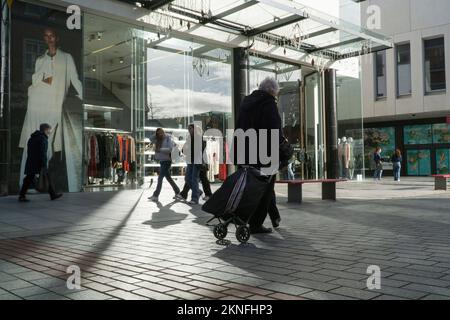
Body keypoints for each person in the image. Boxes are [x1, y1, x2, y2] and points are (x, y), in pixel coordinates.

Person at [19, 27, 83, 192]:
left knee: (47, 143)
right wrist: (43, 78)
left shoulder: (67, 58)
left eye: (52, 36)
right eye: (46, 36)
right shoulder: (40, 59)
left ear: (57, 38)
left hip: (54, 104)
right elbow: (35, 80)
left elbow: (74, 79)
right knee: (34, 142)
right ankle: (30, 181)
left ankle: (35, 179)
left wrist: (84, 99)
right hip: (37, 101)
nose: (49, 39)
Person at [236, 77, 282, 234]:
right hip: (264, 153)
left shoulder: (246, 103)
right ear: (271, 91)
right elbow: (275, 130)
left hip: (244, 151)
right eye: (276, 93)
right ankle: (256, 224)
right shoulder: (268, 104)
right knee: (266, 189)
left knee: (249, 187)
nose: (276, 95)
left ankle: (243, 217)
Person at [19, 124, 62, 202]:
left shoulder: (32, 138)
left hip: (31, 161)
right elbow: (42, 153)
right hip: (39, 162)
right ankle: (52, 195)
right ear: (45, 129)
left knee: (29, 178)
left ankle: (22, 195)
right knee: (45, 177)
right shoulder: (43, 139)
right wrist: (44, 164)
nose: (49, 131)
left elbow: (29, 151)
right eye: (49, 129)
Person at [149, 128, 180, 202]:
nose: (160, 134)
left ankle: (156, 195)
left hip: (167, 161)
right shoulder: (157, 139)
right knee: (168, 178)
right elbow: (150, 138)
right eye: (158, 133)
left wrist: (160, 149)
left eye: (161, 132)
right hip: (162, 161)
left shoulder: (168, 138)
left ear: (164, 132)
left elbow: (170, 149)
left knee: (160, 178)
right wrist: (156, 133)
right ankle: (177, 191)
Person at [183, 124, 204, 205]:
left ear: (194, 129)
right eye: (188, 129)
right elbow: (184, 149)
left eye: (190, 128)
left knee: (194, 179)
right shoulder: (189, 138)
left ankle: (195, 198)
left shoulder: (199, 137)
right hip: (190, 160)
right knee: (187, 179)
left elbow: (200, 149)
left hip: (197, 160)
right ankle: (198, 192)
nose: (189, 130)